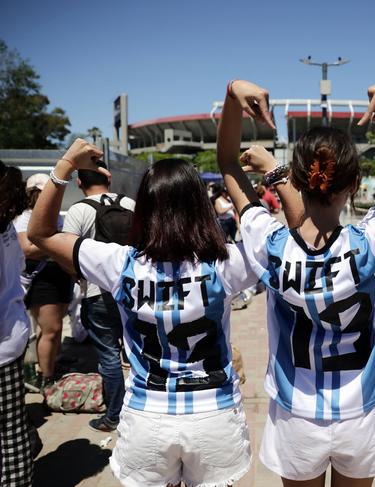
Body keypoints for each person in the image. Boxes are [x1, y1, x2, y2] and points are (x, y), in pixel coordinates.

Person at [28, 140, 262, 487]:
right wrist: (268, 173)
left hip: (147, 416)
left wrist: (64, 167)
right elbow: (273, 238)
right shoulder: (223, 263)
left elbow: (40, 233)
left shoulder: (119, 264)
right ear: (200, 206)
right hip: (214, 414)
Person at [217, 76, 375, 486]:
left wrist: (232, 96)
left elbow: (228, 163)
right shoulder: (371, 241)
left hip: (296, 414)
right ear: (355, 186)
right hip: (361, 412)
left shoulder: (271, 245)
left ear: (297, 182)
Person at [62, 165, 135, 432]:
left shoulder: (78, 210)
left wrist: (78, 277)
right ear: (108, 178)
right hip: (131, 290)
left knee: (109, 357)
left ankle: (113, 416)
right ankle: (142, 408)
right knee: (136, 351)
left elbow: (68, 253)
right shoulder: (129, 203)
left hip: (96, 293)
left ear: (79, 182)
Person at [14, 173, 73, 391]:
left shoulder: (56, 215)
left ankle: (49, 367)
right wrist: (54, 242)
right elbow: (27, 249)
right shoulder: (25, 217)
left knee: (53, 330)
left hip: (59, 274)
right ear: (33, 194)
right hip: (40, 278)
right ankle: (46, 379)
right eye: (44, 191)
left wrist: (51, 243)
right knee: (51, 329)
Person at [0, 161, 33, 486]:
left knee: (10, 431)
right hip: (12, 335)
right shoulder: (6, 227)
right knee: (11, 429)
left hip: (4, 341)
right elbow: (20, 273)